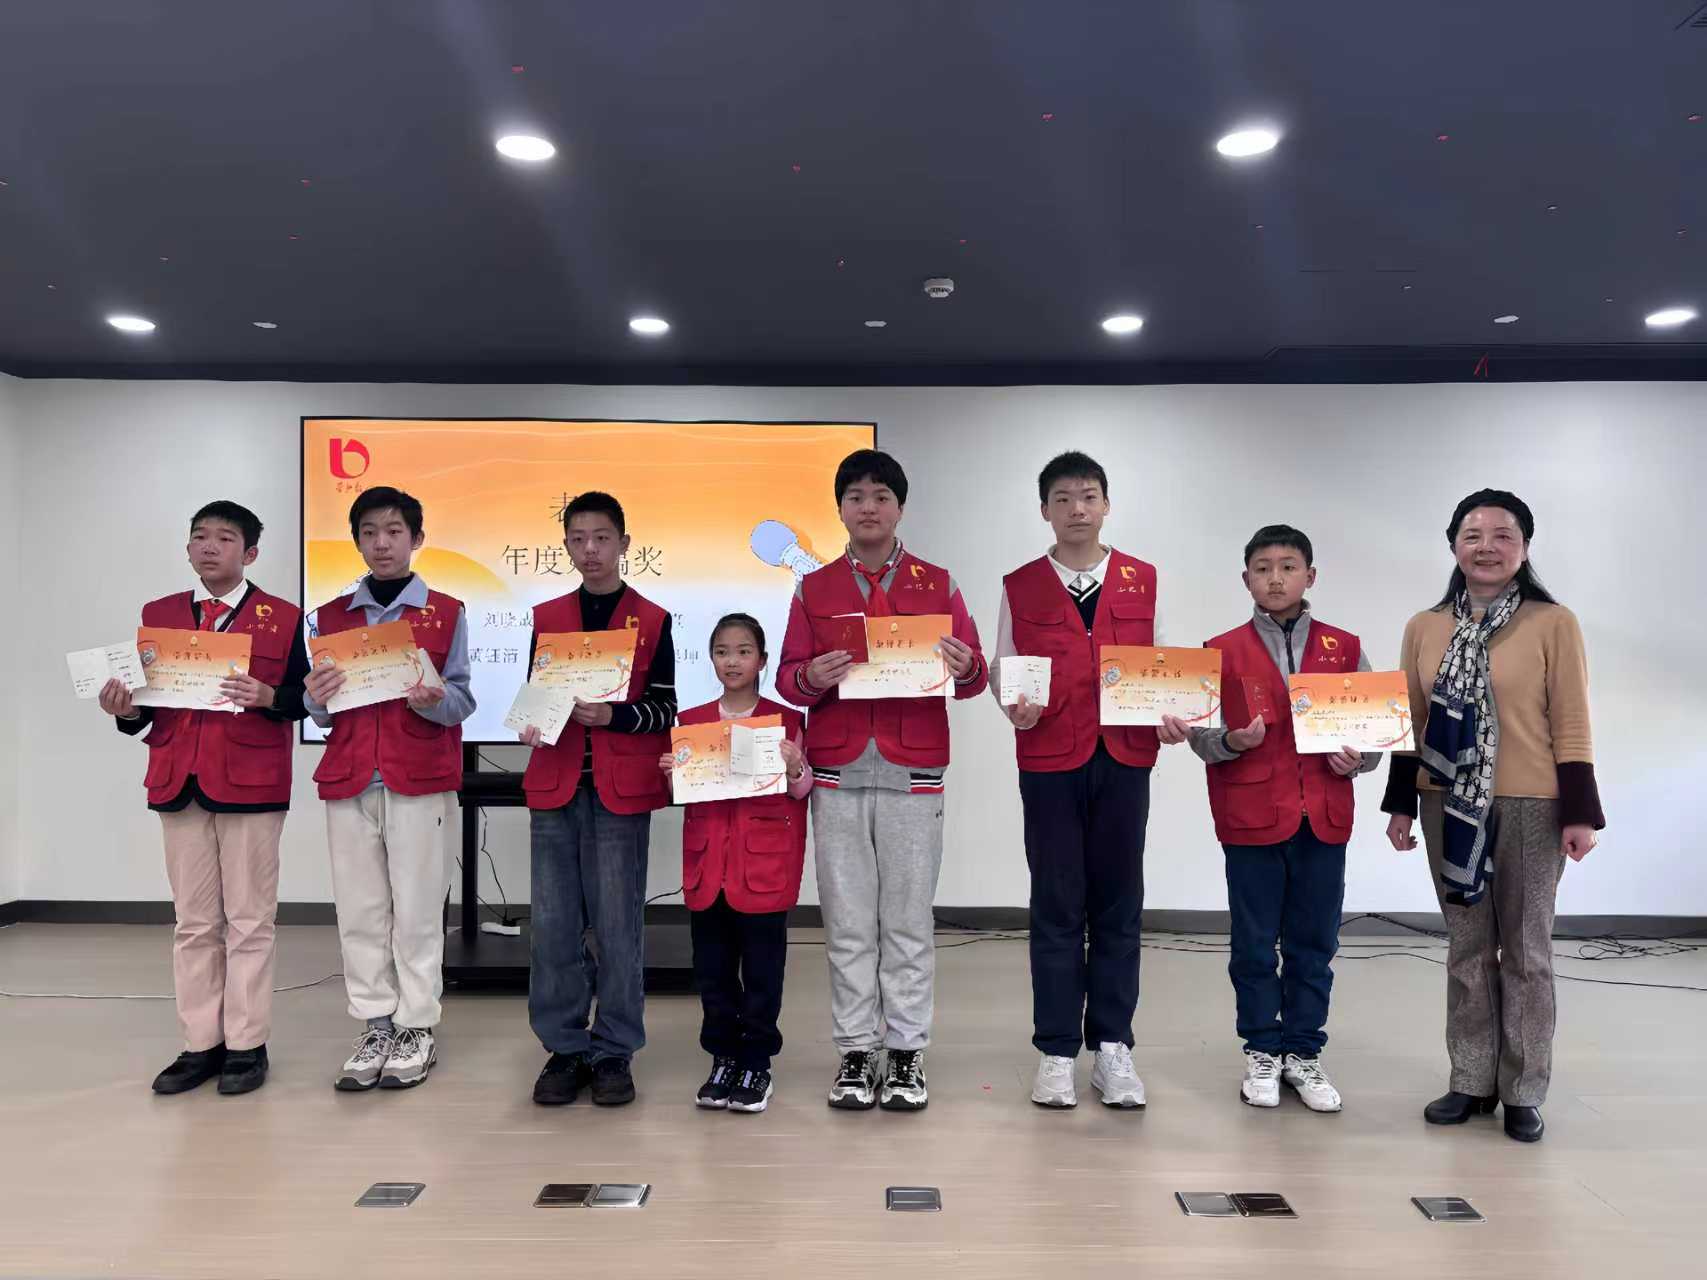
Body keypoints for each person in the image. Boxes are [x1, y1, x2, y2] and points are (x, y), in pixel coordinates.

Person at [1380, 489, 1604, 1143]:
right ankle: (1470, 1078)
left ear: (1524, 548)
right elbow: (1409, 719)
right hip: (1444, 802)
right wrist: (1400, 804)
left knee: (1528, 952)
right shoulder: (1424, 627)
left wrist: (1580, 813)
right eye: (1472, 535)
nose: (1486, 547)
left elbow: (1571, 718)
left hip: (1534, 804)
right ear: (1453, 545)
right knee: (1467, 947)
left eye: (1503, 535)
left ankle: (1523, 1090)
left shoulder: (1552, 622)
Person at [777, 448, 988, 1112]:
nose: (867, 508)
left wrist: (966, 666)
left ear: (900, 508)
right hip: (836, 771)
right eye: (855, 497)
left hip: (912, 770)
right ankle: (855, 1050)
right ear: (839, 509)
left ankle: (904, 1052)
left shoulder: (938, 583)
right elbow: (787, 679)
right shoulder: (813, 588)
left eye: (880, 497)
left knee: (907, 922)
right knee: (846, 924)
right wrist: (810, 676)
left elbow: (974, 677)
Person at [1159, 524, 1378, 1113]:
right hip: (1251, 816)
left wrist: (1359, 758)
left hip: (1323, 817)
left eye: (1288, 566)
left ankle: (1303, 1052)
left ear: (1310, 575)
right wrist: (1233, 740)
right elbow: (1199, 738)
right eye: (1263, 568)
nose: (1275, 578)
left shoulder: (1344, 648)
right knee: (1254, 944)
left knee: (1315, 943)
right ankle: (1261, 1048)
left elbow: (1374, 733)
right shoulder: (1219, 650)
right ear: (1246, 579)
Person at [100, 501, 309, 1096]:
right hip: (178, 780)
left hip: (251, 781)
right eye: (200, 537)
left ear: (251, 553)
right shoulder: (159, 615)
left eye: (225, 538)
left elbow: (306, 700)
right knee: (194, 923)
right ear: (188, 549)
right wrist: (126, 710)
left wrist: (270, 696)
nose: (210, 546)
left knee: (249, 921)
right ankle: (200, 1044)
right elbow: (147, 709)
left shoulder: (284, 618)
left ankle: (246, 1045)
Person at [989, 451, 1154, 1110]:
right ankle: (1056, 1051)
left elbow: (1166, 666)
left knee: (1118, 905)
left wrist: (1176, 712)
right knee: (1056, 904)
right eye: (1063, 498)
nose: (1077, 509)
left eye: (1088, 496)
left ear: (1106, 505)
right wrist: (1013, 704)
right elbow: (1003, 664)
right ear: (1044, 511)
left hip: (1124, 757)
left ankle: (1112, 1048)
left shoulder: (1143, 579)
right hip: (1049, 759)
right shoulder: (1020, 584)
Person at [304, 486, 475, 1092]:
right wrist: (314, 698)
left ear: (416, 539)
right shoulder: (328, 617)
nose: (382, 542)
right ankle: (376, 1023)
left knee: (419, 910)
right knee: (360, 911)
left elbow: (462, 701)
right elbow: (319, 713)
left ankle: (417, 1026)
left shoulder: (445, 612)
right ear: (357, 541)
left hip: (419, 778)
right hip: (350, 778)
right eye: (370, 532)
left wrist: (433, 700)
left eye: (395, 531)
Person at [521, 492, 675, 1108]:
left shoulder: (653, 619)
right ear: (566, 546)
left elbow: (664, 708)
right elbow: (534, 694)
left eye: (602, 538)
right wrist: (530, 719)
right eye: (579, 539)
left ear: (623, 544)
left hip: (620, 790)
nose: (590, 550)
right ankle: (564, 1047)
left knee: (617, 928)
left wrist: (614, 714)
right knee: (553, 927)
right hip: (555, 784)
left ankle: (614, 1050)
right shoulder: (548, 616)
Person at [660, 614, 812, 1114]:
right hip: (709, 868)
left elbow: (802, 791)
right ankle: (723, 1057)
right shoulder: (692, 722)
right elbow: (683, 795)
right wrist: (672, 773)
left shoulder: (786, 720)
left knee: (764, 971)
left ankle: (757, 1062)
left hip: (764, 867)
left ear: (762, 661)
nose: (732, 661)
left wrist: (795, 765)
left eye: (744, 651)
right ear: (711, 659)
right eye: (723, 651)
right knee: (714, 971)